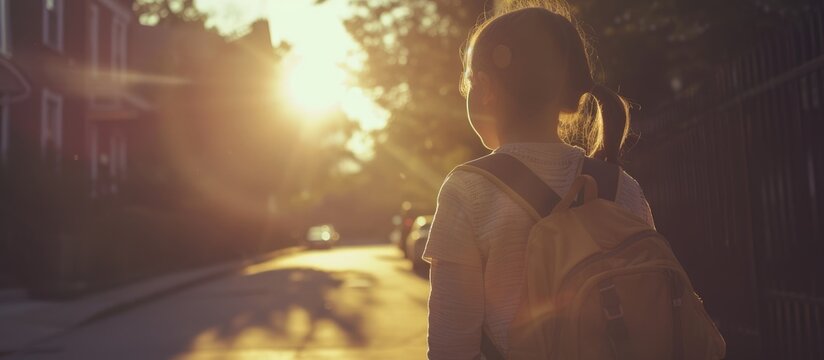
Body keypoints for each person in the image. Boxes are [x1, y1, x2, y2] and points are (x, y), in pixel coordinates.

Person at [423, 1, 656, 359]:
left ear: (486, 88)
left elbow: (451, 346)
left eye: (469, 81)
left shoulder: (466, 191)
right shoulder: (623, 187)